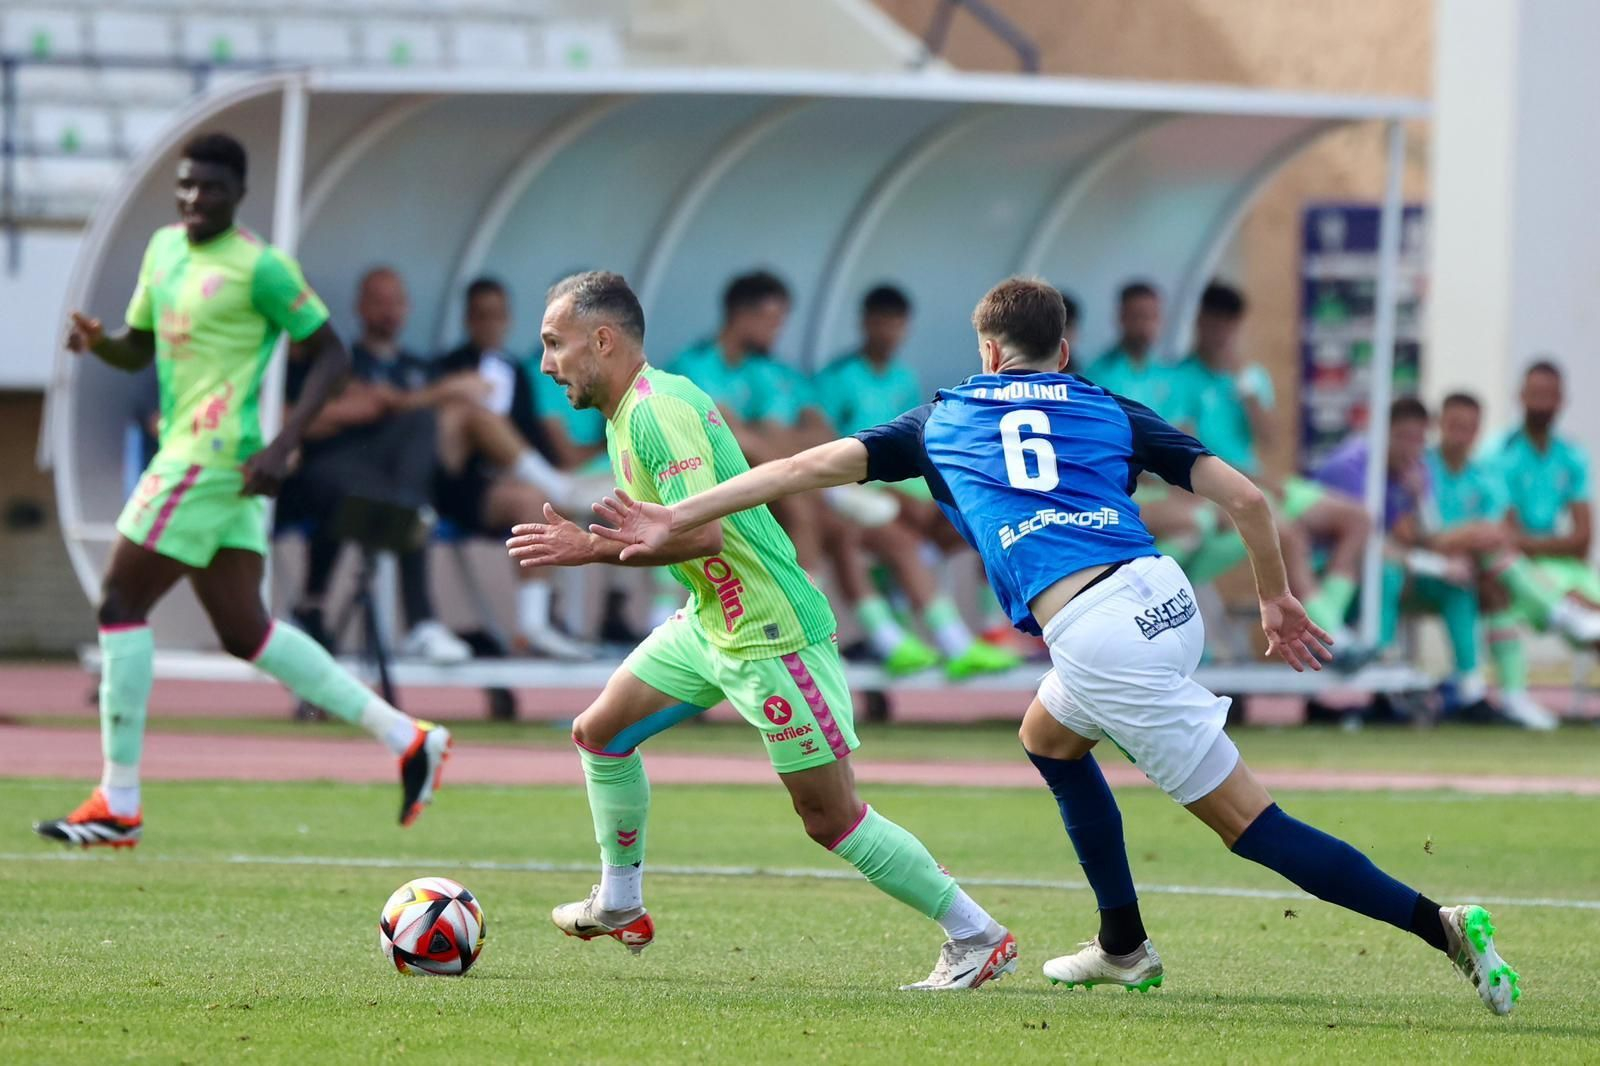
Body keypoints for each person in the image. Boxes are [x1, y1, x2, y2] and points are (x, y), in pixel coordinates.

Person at [593, 276, 1521, 1017]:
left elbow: (796, 470)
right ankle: (1122, 946)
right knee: (1047, 737)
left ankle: (1439, 925)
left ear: (989, 350)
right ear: (1064, 350)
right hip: (1166, 598)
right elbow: (1248, 500)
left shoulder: (943, 417)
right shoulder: (1108, 406)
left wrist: (672, 512)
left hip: (1101, 637)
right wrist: (1277, 598)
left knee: (1253, 827)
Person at [506, 271, 1017, 991]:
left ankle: (977, 935)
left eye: (555, 345)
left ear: (602, 340)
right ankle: (620, 900)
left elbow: (704, 535)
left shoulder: (657, 413)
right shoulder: (633, 410)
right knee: (600, 734)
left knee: (830, 817)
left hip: (770, 633)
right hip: (711, 622)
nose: (547, 364)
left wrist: (588, 548)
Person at [34, 133, 451, 847]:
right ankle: (407, 736)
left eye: (213, 189)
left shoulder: (261, 268)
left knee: (119, 602)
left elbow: (332, 355)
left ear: (239, 194)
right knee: (245, 632)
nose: (197, 199)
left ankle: (118, 799)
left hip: (213, 455)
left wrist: (284, 444)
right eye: (187, 186)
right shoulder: (163, 250)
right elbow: (140, 344)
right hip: (200, 457)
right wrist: (100, 342)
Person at [813, 284, 1019, 679]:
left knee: (977, 520)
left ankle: (983, 627)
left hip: (906, 496)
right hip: (857, 497)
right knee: (900, 540)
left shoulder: (904, 377)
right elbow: (826, 447)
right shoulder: (836, 379)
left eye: (896, 324)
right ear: (866, 324)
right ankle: (943, 642)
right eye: (881, 323)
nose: (889, 332)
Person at [279, 266, 472, 664]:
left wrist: (348, 409)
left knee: (410, 479)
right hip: (305, 479)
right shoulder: (287, 364)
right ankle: (413, 619)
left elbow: (370, 405)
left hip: (371, 481)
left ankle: (411, 622)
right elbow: (287, 422)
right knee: (397, 499)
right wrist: (342, 410)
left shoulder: (337, 360)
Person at [1170, 283, 1372, 649]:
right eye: (1213, 323)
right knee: (1287, 533)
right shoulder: (1178, 379)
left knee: (1358, 519)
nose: (1220, 333)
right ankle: (1334, 638)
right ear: (1199, 321)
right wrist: (1257, 480)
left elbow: (1269, 437)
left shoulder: (1251, 376)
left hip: (1261, 481)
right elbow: (1187, 452)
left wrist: (1245, 387)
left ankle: (1328, 617)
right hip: (1225, 488)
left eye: (1228, 325)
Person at [1408, 392, 1600, 728]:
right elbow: (1420, 537)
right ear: (1440, 425)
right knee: (1492, 562)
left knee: (1497, 585)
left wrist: (1464, 537)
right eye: (1454, 425)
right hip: (1423, 568)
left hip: (1473, 569)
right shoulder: (1421, 470)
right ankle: (1556, 611)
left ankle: (1506, 694)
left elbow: (1500, 533)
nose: (1461, 434)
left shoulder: (1485, 473)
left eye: (1469, 427)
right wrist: (1466, 534)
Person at [433, 276, 593, 660]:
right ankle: (559, 487)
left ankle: (534, 625)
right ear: (469, 319)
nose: (490, 324)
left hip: (503, 488)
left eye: (498, 316)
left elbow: (531, 434)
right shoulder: (447, 369)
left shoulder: (520, 372)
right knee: (480, 416)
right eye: (482, 316)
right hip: (457, 487)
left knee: (537, 505)